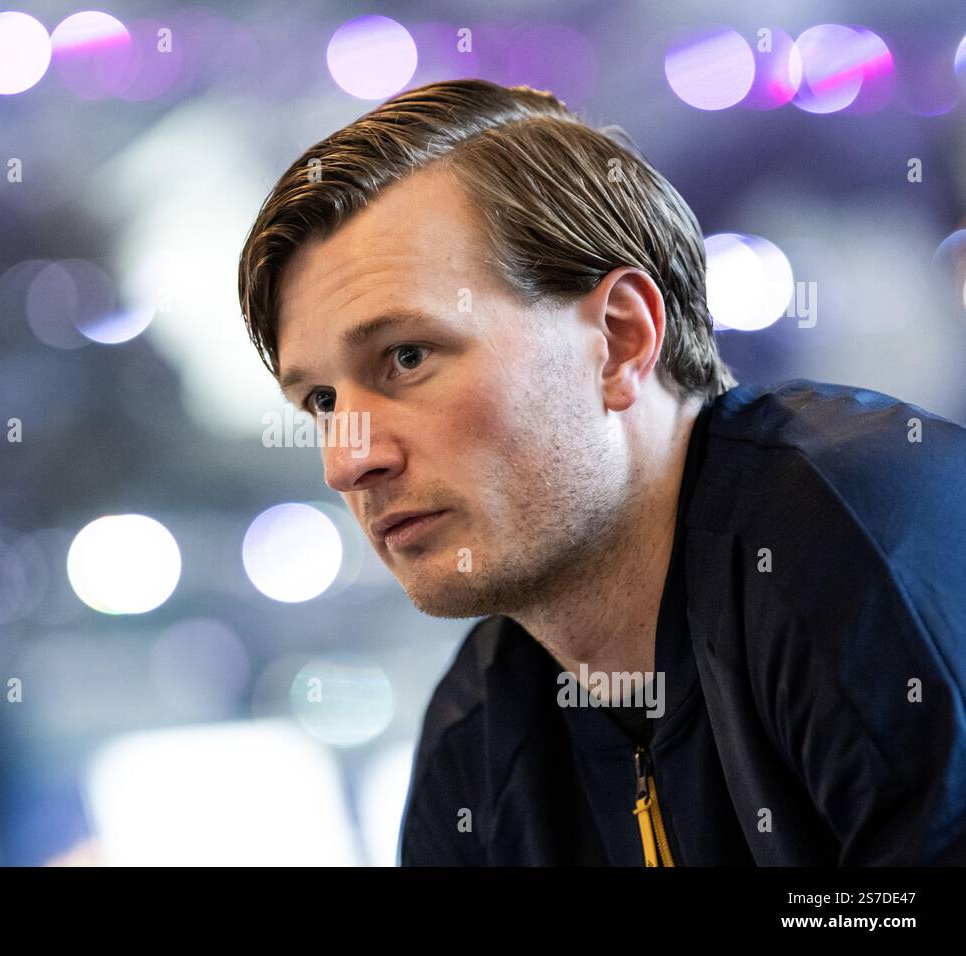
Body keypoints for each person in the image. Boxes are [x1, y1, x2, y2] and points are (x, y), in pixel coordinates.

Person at [236, 78, 966, 865]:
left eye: (407, 357)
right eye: (318, 399)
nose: (348, 460)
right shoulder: (478, 736)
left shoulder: (853, 533)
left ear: (619, 341)